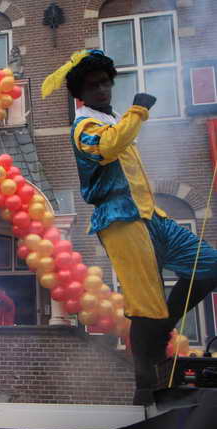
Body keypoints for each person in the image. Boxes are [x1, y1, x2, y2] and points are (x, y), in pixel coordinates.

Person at [43, 49, 217, 405]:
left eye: (105, 82)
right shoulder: (85, 126)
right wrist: (138, 111)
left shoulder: (112, 119)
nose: (102, 89)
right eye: (93, 86)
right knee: (145, 305)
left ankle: (162, 328)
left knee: (209, 265)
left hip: (151, 215)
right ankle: (145, 384)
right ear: (80, 93)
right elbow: (108, 148)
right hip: (119, 219)